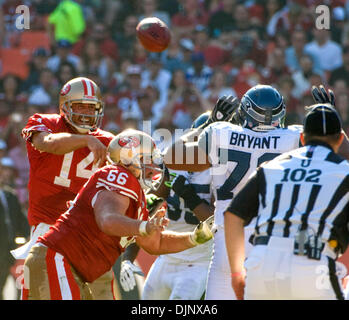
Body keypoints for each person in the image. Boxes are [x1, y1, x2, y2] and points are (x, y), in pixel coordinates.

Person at [163, 84, 349, 300]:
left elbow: (172, 157)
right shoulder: (294, 138)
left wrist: (209, 124)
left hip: (227, 242)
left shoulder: (221, 133)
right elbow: (341, 154)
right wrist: (327, 118)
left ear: (244, 112)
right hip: (273, 241)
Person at [22, 129, 215, 300]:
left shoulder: (136, 196)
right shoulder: (119, 176)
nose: (155, 167)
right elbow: (107, 220)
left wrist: (193, 238)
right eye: (148, 159)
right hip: (58, 260)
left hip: (72, 269)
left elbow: (156, 243)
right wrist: (144, 226)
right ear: (130, 159)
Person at [224, 103, 349, 300]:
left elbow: (232, 216)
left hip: (262, 263)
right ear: (340, 139)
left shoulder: (271, 167)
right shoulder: (344, 171)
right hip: (313, 263)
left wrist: (237, 273)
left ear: (302, 137)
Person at [12, 77, 116, 300]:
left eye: (92, 107)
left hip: (91, 237)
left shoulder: (108, 141)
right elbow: (48, 143)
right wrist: (86, 140)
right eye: (80, 106)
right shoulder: (45, 123)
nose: (87, 113)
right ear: (65, 107)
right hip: (48, 231)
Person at [119, 113, 215, 300]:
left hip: (199, 263)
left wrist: (189, 196)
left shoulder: (221, 172)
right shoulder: (173, 165)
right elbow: (146, 212)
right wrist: (128, 258)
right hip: (167, 257)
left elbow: (216, 222)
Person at [0, 157, 30, 300]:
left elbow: (21, 221)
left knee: (15, 289)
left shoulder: (10, 195)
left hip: (9, 253)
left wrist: (29, 236)